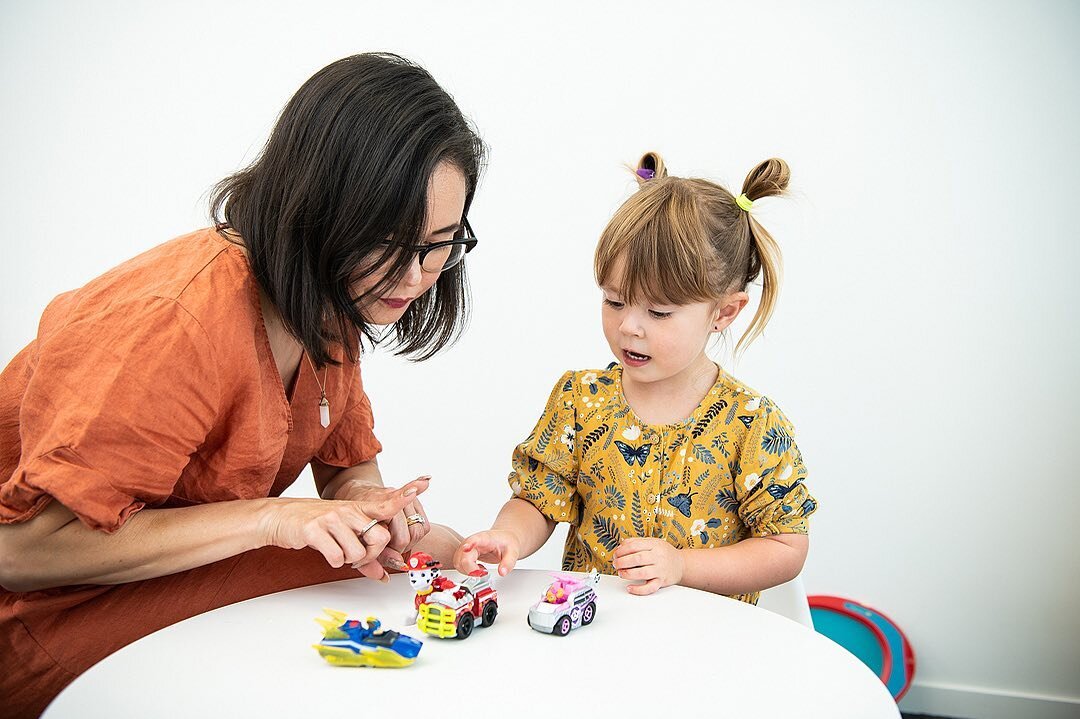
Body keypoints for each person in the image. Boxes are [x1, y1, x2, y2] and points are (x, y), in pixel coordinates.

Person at [0, 52, 484, 716]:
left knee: (408, 564)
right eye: (389, 242)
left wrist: (383, 515)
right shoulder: (177, 319)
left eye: (441, 244)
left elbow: (347, 474)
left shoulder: (331, 294)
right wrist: (270, 517)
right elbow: (20, 552)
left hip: (166, 577)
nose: (416, 275)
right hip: (43, 616)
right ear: (319, 209)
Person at [455, 152, 817, 602]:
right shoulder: (581, 400)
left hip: (707, 644)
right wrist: (508, 536)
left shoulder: (752, 423)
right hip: (596, 633)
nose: (629, 326)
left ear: (724, 311)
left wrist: (682, 566)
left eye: (659, 312)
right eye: (614, 301)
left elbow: (785, 547)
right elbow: (537, 499)